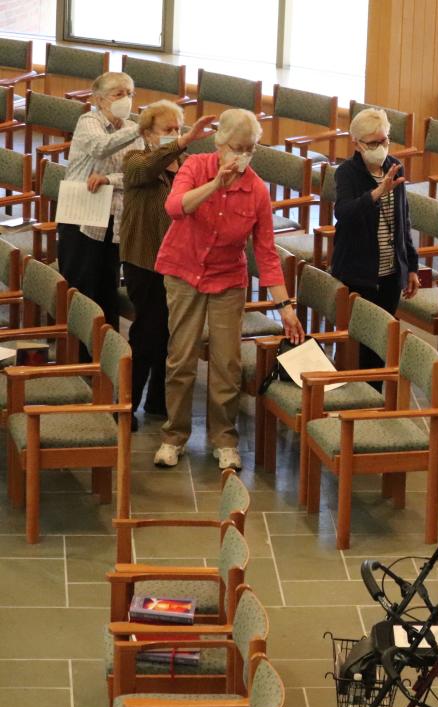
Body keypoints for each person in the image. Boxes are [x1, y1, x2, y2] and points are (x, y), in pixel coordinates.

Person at [153, 108, 304, 471]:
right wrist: (215, 186)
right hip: (183, 271)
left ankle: (224, 439)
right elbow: (175, 207)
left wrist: (284, 306)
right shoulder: (196, 167)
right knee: (182, 357)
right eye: (238, 147)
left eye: (250, 148)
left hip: (227, 279)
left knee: (227, 362)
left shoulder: (256, 191)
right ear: (221, 143)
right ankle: (174, 437)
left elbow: (267, 253)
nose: (243, 155)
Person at [119, 100, 215, 427]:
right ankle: (126, 406)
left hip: (180, 263)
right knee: (148, 332)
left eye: (179, 129)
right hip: (144, 261)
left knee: (172, 334)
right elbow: (144, 170)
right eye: (168, 130)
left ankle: (160, 402)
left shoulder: (189, 165)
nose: (175, 135)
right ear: (147, 134)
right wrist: (183, 142)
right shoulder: (135, 159)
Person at [331, 107, 419, 372]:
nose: (380, 147)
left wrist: (411, 266)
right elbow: (343, 213)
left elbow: (404, 220)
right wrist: (376, 193)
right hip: (358, 271)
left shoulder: (395, 167)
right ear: (357, 144)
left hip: (390, 273)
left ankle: (375, 398)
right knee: (356, 342)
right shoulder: (346, 173)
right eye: (373, 143)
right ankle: (351, 397)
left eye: (384, 140)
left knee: (381, 342)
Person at [61, 72, 143, 338]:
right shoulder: (89, 121)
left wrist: (109, 178)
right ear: (98, 99)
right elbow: (100, 147)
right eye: (118, 94)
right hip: (81, 213)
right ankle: (76, 353)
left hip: (115, 216)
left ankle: (105, 357)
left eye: (129, 93)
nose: (126, 99)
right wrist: (139, 130)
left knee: (107, 286)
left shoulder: (133, 128)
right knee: (82, 284)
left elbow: (138, 172)